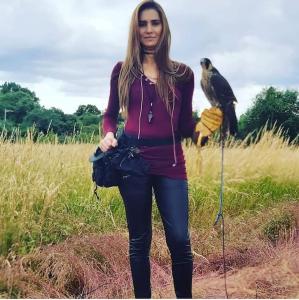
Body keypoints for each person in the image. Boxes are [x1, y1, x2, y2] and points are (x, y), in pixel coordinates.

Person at [99, 0, 222, 298]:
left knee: (180, 239)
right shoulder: (122, 71)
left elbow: (183, 126)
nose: (149, 29)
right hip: (133, 163)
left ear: (164, 27)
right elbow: (109, 115)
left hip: (171, 163)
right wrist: (108, 135)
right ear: (136, 29)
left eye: (155, 23)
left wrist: (203, 131)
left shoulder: (182, 74)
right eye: (143, 24)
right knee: (139, 241)